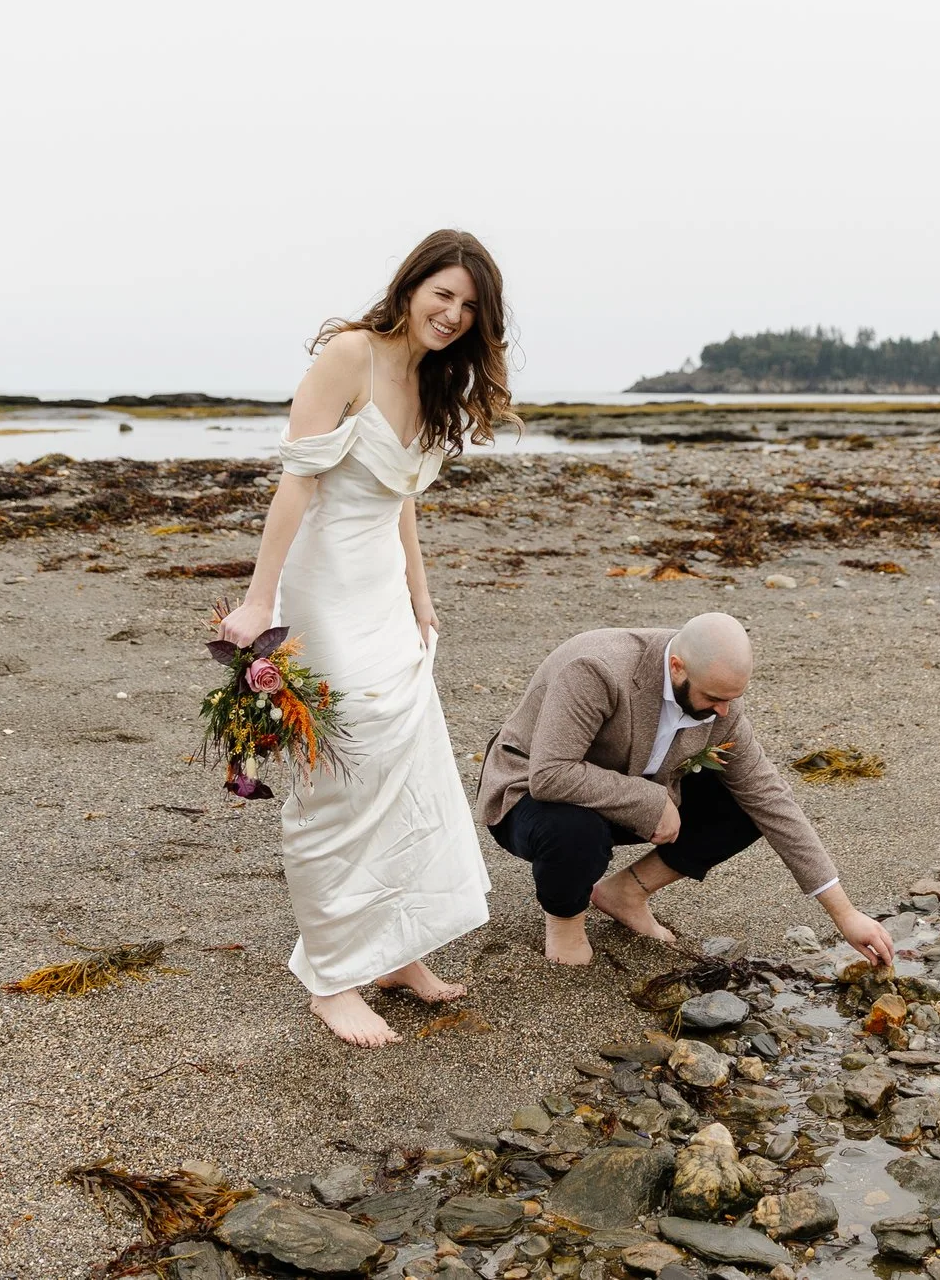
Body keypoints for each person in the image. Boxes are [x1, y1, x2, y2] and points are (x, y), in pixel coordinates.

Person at [215, 230, 512, 1047]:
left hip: (384, 591)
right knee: (346, 776)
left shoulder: (429, 377)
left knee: (409, 764)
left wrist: (422, 597)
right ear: (412, 283)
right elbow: (298, 481)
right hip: (325, 590)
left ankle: (397, 950)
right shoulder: (351, 354)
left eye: (470, 308)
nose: (452, 315)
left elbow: (402, 497)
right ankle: (333, 974)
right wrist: (259, 600)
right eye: (443, 294)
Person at [474, 613, 896, 970]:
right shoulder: (596, 668)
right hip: (528, 796)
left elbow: (770, 798)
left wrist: (845, 914)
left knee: (747, 805)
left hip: (628, 795)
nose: (724, 712)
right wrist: (651, 800)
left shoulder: (721, 703)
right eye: (714, 698)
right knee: (575, 830)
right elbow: (551, 775)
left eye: (733, 699)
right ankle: (565, 922)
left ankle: (627, 893)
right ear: (677, 667)